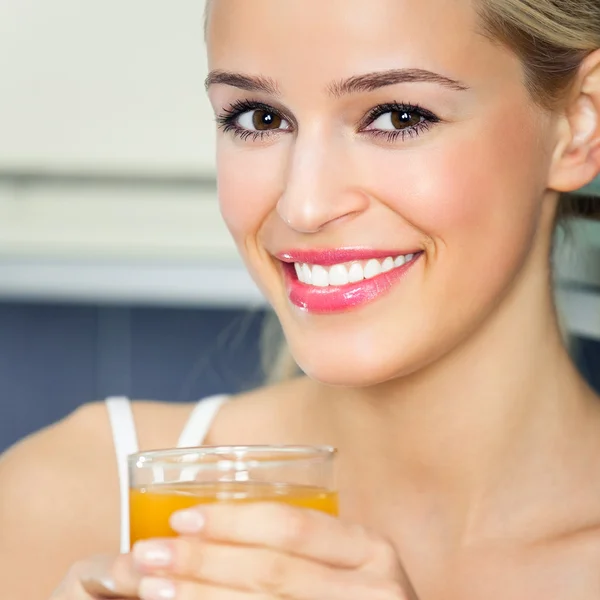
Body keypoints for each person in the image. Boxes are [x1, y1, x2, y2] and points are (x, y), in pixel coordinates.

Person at [2, 0, 600, 597]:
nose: (303, 206)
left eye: (396, 117)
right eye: (260, 118)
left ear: (580, 124)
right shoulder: (64, 504)